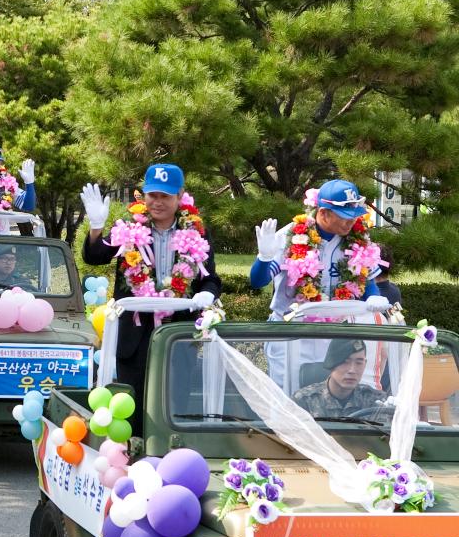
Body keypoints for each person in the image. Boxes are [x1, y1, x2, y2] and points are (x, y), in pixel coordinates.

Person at [80, 164, 220, 418]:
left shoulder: (197, 233)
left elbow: (209, 279)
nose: (157, 202)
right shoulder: (130, 229)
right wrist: (97, 227)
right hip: (135, 338)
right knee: (131, 409)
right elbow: (95, 256)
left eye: (165, 196)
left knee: (173, 408)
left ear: (179, 197)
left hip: (178, 335)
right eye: (152, 195)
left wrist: (208, 294)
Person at [250, 179, 390, 386]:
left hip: (334, 335)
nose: (351, 222)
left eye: (354, 216)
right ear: (323, 212)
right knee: (288, 398)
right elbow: (257, 281)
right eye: (345, 217)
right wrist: (264, 258)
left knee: (327, 401)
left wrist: (375, 296)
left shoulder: (357, 239)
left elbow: (367, 281)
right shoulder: (290, 236)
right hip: (290, 334)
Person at [291, 340, 388, 417]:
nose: (352, 370)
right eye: (345, 362)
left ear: (365, 364)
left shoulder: (376, 401)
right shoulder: (304, 401)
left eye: (359, 363)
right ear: (331, 363)